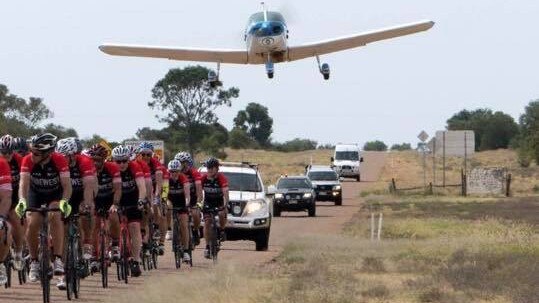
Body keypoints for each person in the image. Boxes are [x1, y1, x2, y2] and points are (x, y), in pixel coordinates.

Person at [15, 133, 72, 285]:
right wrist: (21, 200)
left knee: (55, 214)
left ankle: (58, 258)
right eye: (31, 150)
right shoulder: (27, 160)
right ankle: (34, 262)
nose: (31, 154)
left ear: (47, 153)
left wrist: (64, 201)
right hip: (36, 193)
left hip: (55, 193)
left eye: (36, 153)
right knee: (33, 222)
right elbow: (23, 184)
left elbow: (67, 186)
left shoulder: (59, 159)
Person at [56, 138, 97, 262]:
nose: (61, 160)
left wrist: (87, 204)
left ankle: (87, 242)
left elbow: (89, 187)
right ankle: (61, 264)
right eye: (60, 156)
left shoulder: (84, 161)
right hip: (65, 195)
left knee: (87, 210)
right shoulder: (57, 163)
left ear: (73, 155)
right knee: (61, 225)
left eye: (65, 157)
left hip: (82, 193)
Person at [111, 145, 146, 277]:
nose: (122, 164)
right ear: (113, 161)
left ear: (128, 160)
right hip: (116, 201)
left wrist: (141, 200)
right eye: (118, 161)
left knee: (135, 227)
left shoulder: (134, 167)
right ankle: (113, 247)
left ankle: (136, 260)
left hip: (133, 201)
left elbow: (142, 187)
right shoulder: (110, 169)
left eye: (124, 160)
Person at [88, 144, 122, 264]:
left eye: (98, 160)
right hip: (95, 199)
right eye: (93, 160)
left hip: (109, 198)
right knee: (94, 224)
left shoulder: (112, 168)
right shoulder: (88, 169)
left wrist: (115, 204)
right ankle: (94, 254)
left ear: (103, 159)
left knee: (113, 217)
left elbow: (118, 189)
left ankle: (115, 245)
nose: (95, 163)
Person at [0, 135, 24, 271]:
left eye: (10, 152)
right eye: (4, 152)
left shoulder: (19, 161)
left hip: (15, 193)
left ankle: (19, 251)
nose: (7, 155)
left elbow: (26, 181)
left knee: (15, 217)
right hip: (2, 191)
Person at [137, 142, 165, 255]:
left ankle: (157, 228)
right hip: (141, 189)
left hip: (153, 188)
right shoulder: (136, 164)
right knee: (143, 212)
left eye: (148, 154)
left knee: (154, 204)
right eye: (143, 154)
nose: (145, 157)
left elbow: (159, 183)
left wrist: (157, 195)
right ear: (139, 155)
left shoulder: (156, 163)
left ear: (151, 155)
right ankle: (145, 242)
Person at [200, 157, 229, 259]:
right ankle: (207, 246)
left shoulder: (221, 178)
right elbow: (199, 192)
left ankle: (222, 230)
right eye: (208, 168)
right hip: (208, 202)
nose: (210, 170)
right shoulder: (203, 178)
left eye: (212, 168)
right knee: (207, 223)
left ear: (217, 169)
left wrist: (225, 205)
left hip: (219, 202)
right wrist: (199, 203)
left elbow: (225, 193)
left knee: (222, 213)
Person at [174, 152, 202, 245]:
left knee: (195, 214)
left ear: (188, 163)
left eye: (183, 162)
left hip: (193, 197)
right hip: (180, 197)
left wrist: (199, 202)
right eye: (179, 162)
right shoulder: (175, 172)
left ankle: (195, 230)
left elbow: (198, 187)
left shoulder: (194, 172)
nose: (181, 164)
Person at [166, 160, 191, 261]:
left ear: (180, 171)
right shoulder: (166, 179)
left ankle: (185, 251)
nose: (174, 174)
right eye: (172, 171)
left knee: (184, 225)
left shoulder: (183, 179)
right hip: (170, 200)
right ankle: (169, 229)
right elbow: (164, 195)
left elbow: (187, 195)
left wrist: (186, 204)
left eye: (176, 171)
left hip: (181, 202)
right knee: (167, 207)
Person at [0, 150, 13, 285]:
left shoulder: (2, 164)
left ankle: (0, 264)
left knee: (5, 229)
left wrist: (1, 217)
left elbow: (6, 196)